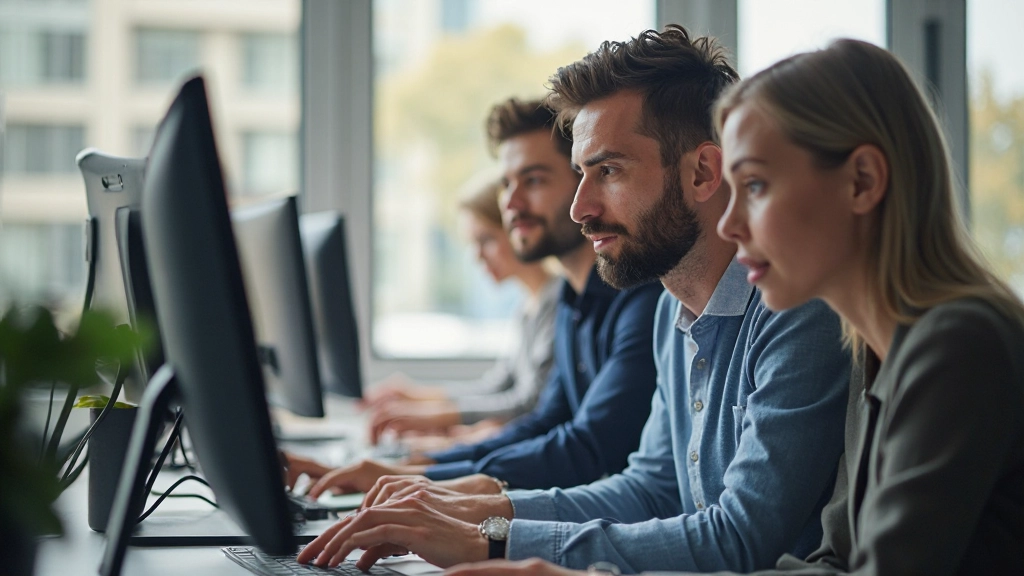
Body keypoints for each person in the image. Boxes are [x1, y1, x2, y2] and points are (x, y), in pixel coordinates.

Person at [449, 38, 1024, 576]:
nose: (727, 221)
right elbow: (829, 564)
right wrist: (492, 522)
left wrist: (506, 540)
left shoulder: (953, 343)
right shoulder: (876, 345)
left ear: (862, 181)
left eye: (753, 186)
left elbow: (771, 546)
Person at [294, 26, 853, 574]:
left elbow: (738, 540)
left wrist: (491, 542)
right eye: (582, 173)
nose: (579, 208)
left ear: (703, 172)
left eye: (608, 171)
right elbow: (651, 489)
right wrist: (474, 511)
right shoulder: (669, 310)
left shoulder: (797, 313)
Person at [286, 97, 663, 496]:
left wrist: (419, 476)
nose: (512, 205)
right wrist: (417, 468)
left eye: (533, 180)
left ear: (582, 186)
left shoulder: (641, 301)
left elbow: (588, 447)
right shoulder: (574, 300)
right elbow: (544, 423)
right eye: (506, 184)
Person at [362, 175, 562, 453]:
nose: (477, 256)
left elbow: (528, 402)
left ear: (517, 227)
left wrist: (433, 416)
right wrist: (418, 397)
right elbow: (497, 385)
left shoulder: (558, 302)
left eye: (486, 239)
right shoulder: (529, 304)